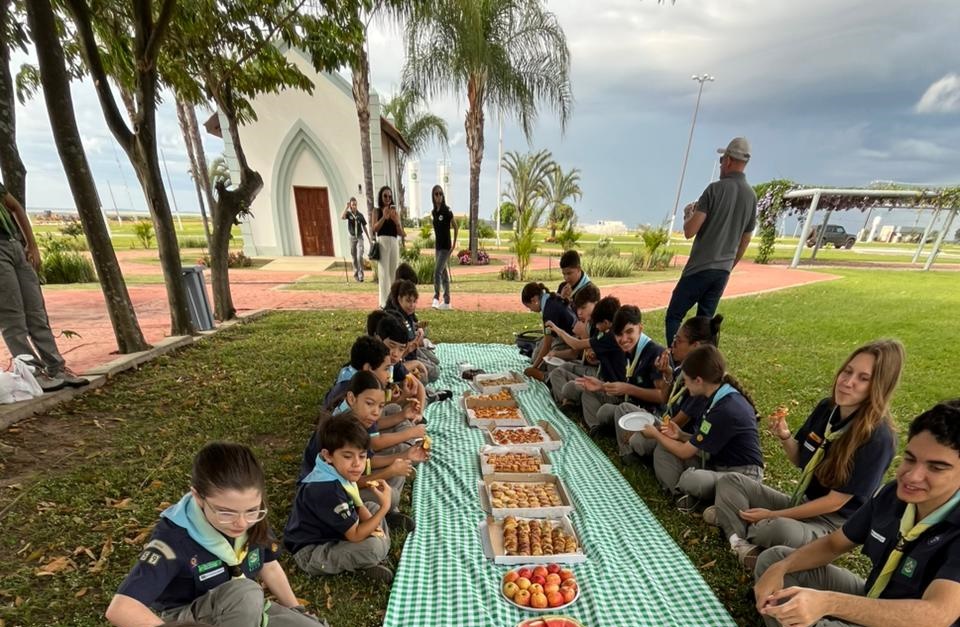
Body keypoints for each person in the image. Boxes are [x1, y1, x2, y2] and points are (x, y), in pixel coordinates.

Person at [753, 401, 960, 627]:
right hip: (873, 597)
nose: (912, 476)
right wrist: (782, 567)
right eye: (910, 459)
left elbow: (936, 615)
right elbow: (833, 544)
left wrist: (829, 603)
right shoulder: (893, 495)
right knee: (774, 560)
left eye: (936, 468)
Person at [707, 340, 903, 570]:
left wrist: (773, 514)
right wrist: (785, 436)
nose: (848, 382)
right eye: (847, 371)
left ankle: (734, 522)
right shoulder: (827, 408)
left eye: (863, 378)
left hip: (831, 523)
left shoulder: (879, 438)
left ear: (879, 386)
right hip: (801, 502)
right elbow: (800, 459)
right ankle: (742, 544)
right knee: (731, 481)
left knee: (776, 528)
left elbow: (833, 503)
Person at [105, 443, 321, 626]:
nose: (241, 523)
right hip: (191, 618)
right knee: (244, 592)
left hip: (245, 609)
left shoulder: (251, 519)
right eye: (226, 512)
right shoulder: (173, 540)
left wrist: (294, 608)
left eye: (252, 510)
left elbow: (269, 565)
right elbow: (121, 608)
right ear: (198, 497)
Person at [645, 344, 763, 512]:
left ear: (698, 380)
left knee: (692, 479)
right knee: (664, 451)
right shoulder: (714, 395)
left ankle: (699, 499)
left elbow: (685, 452)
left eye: (685, 380)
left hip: (742, 477)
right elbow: (704, 438)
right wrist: (680, 435)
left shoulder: (725, 408)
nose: (684, 384)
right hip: (717, 464)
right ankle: (682, 496)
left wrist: (655, 434)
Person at [664, 137, 757, 346]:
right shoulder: (751, 196)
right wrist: (729, 265)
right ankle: (702, 365)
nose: (721, 164)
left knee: (674, 315)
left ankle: (675, 360)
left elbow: (690, 230)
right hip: (722, 271)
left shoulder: (714, 190)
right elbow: (746, 238)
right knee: (706, 324)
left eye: (723, 160)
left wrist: (688, 214)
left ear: (730, 161)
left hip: (699, 268)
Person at [284, 415, 396, 583]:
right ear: (328, 455)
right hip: (312, 552)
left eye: (362, 456)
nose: (357, 464)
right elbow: (355, 535)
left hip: (333, 532)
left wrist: (376, 522)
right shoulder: (327, 489)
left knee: (371, 507)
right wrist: (385, 508)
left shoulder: (333, 469)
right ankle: (370, 558)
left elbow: (360, 507)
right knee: (373, 547)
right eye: (348, 456)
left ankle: (369, 557)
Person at [0, 180, 87, 392]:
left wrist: (32, 245)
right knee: (12, 317)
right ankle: (33, 373)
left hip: (15, 245)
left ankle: (57, 367)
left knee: (36, 312)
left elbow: (15, 206)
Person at [614, 314, 722, 463]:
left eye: (678, 341)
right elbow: (665, 398)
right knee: (623, 409)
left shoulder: (699, 383)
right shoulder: (681, 369)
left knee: (639, 441)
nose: (672, 345)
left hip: (677, 434)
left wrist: (646, 432)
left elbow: (677, 424)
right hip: (665, 422)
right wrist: (667, 373)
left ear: (695, 347)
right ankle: (630, 453)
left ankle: (640, 453)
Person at [574, 305, 666, 436]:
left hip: (650, 413)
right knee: (595, 400)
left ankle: (628, 452)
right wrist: (601, 386)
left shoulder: (655, 353)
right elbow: (625, 389)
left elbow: (661, 397)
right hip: (629, 403)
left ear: (640, 328)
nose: (623, 339)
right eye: (619, 334)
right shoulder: (629, 350)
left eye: (629, 332)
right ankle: (597, 428)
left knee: (618, 410)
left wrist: (628, 389)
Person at [546, 294, 619, 406]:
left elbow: (576, 346)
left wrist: (558, 330)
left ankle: (566, 400)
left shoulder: (609, 334)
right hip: (598, 375)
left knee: (569, 387)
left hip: (603, 382)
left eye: (583, 307)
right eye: (578, 308)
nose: (579, 312)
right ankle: (566, 400)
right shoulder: (603, 329)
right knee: (559, 372)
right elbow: (594, 357)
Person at [519, 282, 577, 382]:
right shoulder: (549, 299)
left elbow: (547, 344)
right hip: (559, 337)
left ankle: (546, 377)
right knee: (536, 356)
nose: (531, 310)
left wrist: (534, 367)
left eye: (529, 307)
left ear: (534, 300)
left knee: (547, 363)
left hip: (568, 341)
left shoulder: (549, 311)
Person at [372, 186, 405, 308]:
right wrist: (383, 218)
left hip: (393, 242)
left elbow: (401, 233)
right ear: (381, 197)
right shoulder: (377, 211)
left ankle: (393, 302)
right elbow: (374, 229)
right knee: (383, 273)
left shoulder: (394, 212)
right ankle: (383, 303)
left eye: (390, 196)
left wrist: (396, 221)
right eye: (385, 196)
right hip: (383, 241)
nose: (387, 198)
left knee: (393, 273)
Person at [430, 185, 458, 310]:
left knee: (437, 272)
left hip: (446, 247)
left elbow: (456, 227)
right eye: (436, 194)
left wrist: (453, 244)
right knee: (444, 274)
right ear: (433, 196)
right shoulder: (434, 212)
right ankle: (447, 302)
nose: (439, 196)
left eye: (440, 194)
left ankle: (436, 297)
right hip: (438, 247)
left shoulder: (447, 211)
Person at [341, 197, 370, 282]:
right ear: (350, 205)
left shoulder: (360, 215)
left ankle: (361, 275)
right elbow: (342, 217)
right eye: (353, 205)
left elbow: (364, 227)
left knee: (359, 256)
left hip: (359, 237)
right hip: (352, 237)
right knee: (353, 257)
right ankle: (356, 274)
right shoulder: (349, 214)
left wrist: (368, 238)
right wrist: (346, 208)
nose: (354, 206)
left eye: (355, 204)